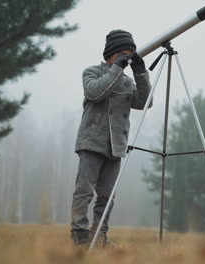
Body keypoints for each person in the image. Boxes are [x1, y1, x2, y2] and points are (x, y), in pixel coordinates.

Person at [70, 29, 152, 246]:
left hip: (116, 146)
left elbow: (144, 102)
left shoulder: (126, 82)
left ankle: (99, 237)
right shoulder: (92, 72)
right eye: (123, 54)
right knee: (84, 192)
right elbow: (95, 92)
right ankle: (79, 236)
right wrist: (117, 68)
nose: (126, 58)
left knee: (107, 197)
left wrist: (140, 73)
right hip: (91, 142)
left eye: (130, 54)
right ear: (112, 54)